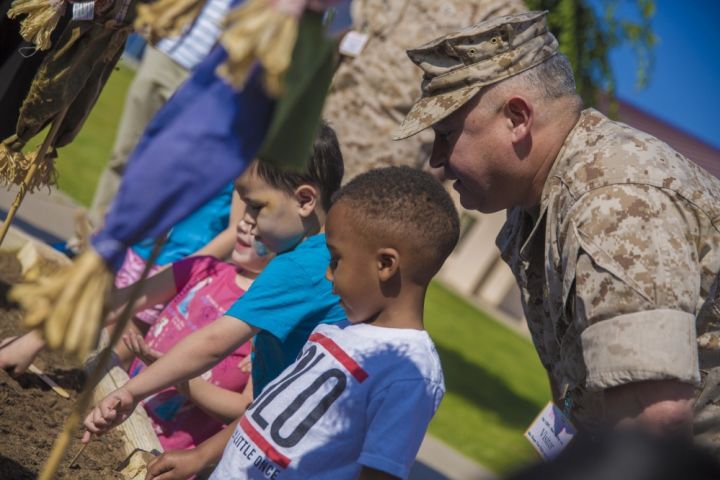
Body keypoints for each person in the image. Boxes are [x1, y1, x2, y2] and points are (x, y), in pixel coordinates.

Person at [393, 11, 720, 449]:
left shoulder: (613, 204)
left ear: (517, 118)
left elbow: (652, 421)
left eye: (448, 135)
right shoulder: (537, 201)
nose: (436, 160)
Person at [141, 166, 459, 480]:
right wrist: (200, 456)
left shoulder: (412, 375)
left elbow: (380, 473)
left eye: (336, 261)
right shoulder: (332, 331)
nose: (327, 276)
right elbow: (265, 412)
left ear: (385, 264)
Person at [82, 121, 346, 437]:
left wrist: (130, 391)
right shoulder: (330, 253)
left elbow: (213, 343)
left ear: (305, 200)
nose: (248, 222)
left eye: (257, 206)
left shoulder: (297, 268)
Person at [0, 214, 270, 451]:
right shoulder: (202, 268)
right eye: (248, 208)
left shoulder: (271, 319)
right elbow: (118, 303)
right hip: (114, 416)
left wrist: (175, 372)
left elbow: (244, 410)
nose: (246, 221)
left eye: (261, 210)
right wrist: (35, 339)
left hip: (159, 452)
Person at [322, 0, 525, 183]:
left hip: (379, 171)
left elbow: (489, 116)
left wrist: (425, 183)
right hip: (317, 142)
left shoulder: (500, 13)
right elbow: (358, 37)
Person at [88, 0, 233, 226]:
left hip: (207, 81)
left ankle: (123, 247)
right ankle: (89, 238)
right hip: (166, 55)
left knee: (165, 171)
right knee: (124, 153)